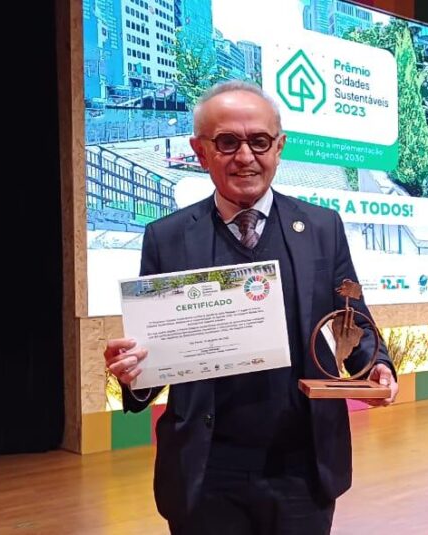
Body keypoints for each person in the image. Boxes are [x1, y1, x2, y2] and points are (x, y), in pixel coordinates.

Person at [102, 80, 398, 534]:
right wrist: (133, 371)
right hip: (206, 470)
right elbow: (153, 349)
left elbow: (352, 318)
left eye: (259, 141)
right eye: (227, 142)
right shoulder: (167, 237)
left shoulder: (321, 227)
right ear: (200, 151)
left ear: (279, 147)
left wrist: (375, 364)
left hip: (303, 465)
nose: (245, 156)